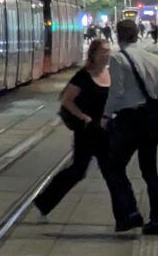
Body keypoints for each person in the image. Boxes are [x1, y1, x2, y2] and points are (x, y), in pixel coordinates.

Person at [32, 39, 113, 224]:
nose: (107, 55)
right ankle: (44, 201)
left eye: (108, 51)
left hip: (105, 131)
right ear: (93, 54)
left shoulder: (111, 74)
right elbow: (66, 99)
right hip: (87, 131)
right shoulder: (83, 76)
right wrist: (84, 117)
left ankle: (127, 214)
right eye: (103, 51)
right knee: (78, 170)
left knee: (112, 171)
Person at [104, 18, 158, 234]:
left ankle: (130, 213)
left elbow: (116, 92)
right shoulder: (154, 59)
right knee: (150, 172)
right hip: (150, 119)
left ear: (118, 35)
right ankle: (157, 220)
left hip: (129, 120)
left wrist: (105, 115)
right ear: (137, 34)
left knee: (114, 167)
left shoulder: (118, 59)